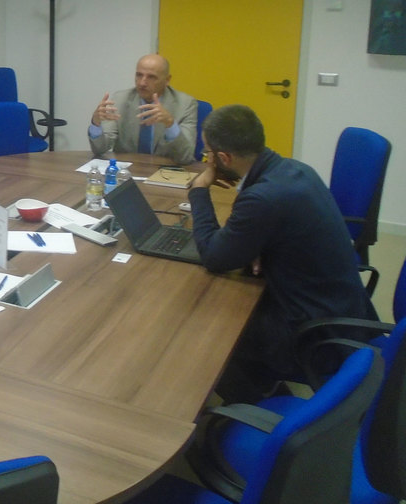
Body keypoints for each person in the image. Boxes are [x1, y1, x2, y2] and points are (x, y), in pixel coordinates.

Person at [189, 104, 377, 402]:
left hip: (319, 335)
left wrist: (199, 189)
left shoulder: (264, 198)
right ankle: (266, 388)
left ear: (224, 158)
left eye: (208, 154)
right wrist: (260, 245)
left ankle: (258, 404)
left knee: (213, 331)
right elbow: (273, 225)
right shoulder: (294, 169)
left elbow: (214, 257)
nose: (208, 160)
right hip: (340, 308)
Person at [88, 53, 198, 165]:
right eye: (139, 75)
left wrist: (170, 123)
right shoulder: (120, 99)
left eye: (151, 77)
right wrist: (96, 124)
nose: (142, 83)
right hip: (129, 170)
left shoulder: (185, 104)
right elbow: (100, 149)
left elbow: (186, 156)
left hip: (165, 171)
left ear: (167, 80)